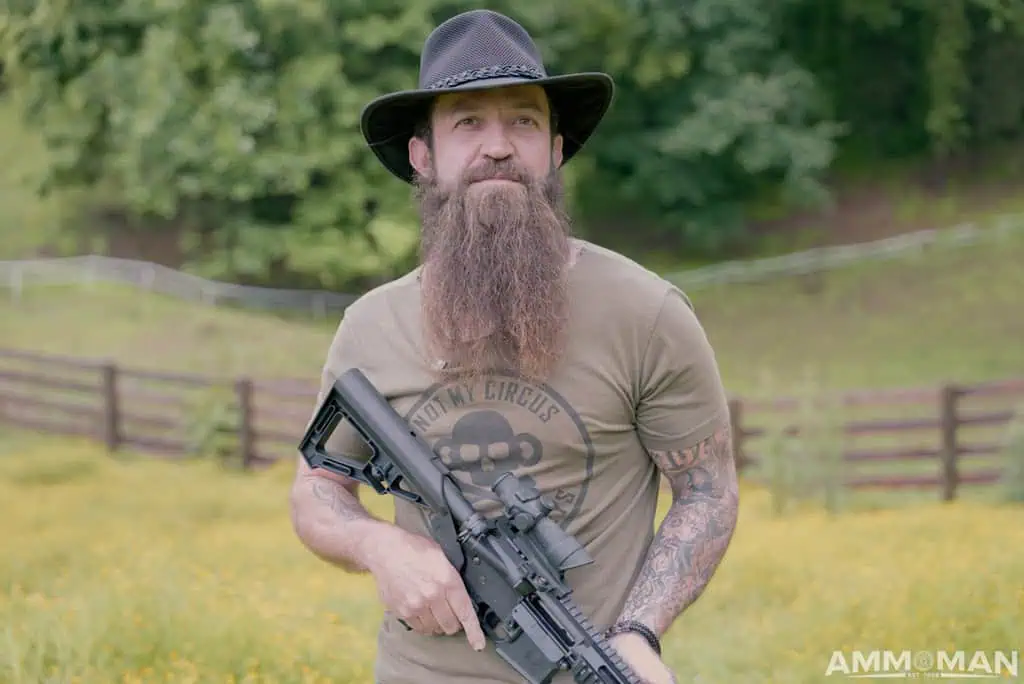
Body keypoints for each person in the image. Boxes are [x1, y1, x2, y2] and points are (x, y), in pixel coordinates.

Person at [289, 9, 740, 684]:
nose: (497, 147)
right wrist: (378, 545)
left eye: (523, 121)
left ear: (555, 149)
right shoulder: (371, 326)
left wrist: (639, 635)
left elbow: (707, 493)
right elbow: (317, 492)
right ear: (424, 156)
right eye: (467, 123)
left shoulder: (647, 314)